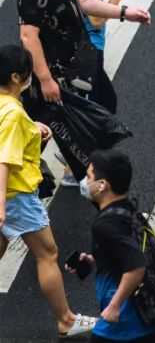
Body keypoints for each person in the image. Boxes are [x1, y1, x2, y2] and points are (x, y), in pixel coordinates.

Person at [16, 0, 150, 183]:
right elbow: (28, 37)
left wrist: (125, 13)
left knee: (41, 148)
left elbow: (83, 2)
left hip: (66, 81)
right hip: (53, 86)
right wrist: (45, 80)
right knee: (78, 154)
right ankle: (109, 207)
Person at [0, 44, 97, 338]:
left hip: (10, 194)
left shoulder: (7, 107)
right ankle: (65, 320)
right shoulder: (13, 112)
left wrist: (34, 128)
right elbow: (4, 159)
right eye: (28, 72)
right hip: (16, 194)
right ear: (17, 77)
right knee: (47, 252)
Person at [65, 150, 155, 342]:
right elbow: (126, 251)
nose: (85, 182)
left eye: (88, 177)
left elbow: (137, 264)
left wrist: (114, 306)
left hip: (126, 320)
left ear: (102, 185)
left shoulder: (105, 225)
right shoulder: (128, 210)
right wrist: (92, 259)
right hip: (148, 312)